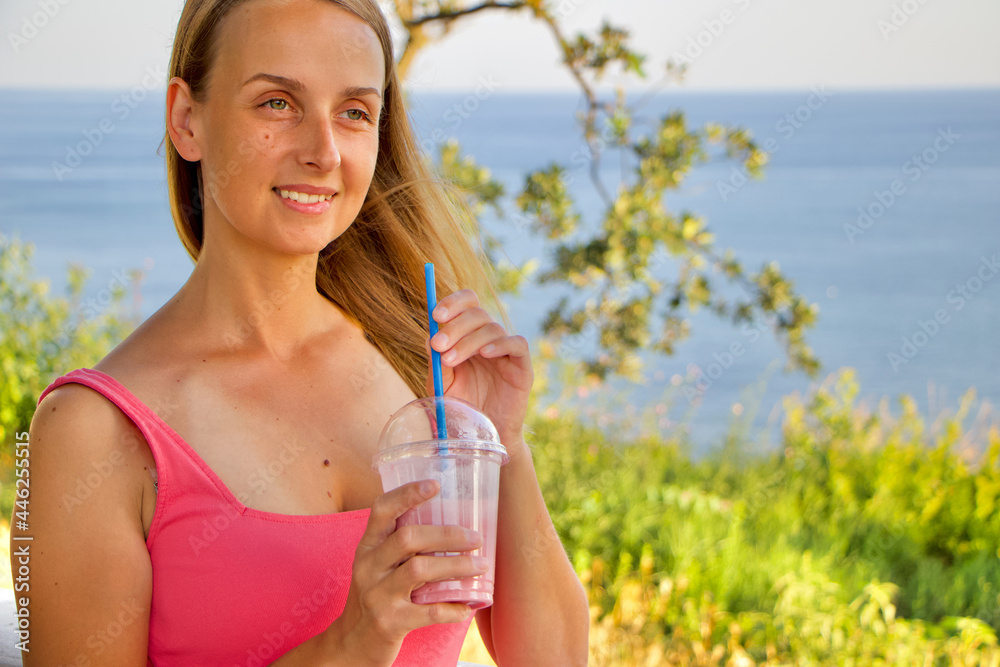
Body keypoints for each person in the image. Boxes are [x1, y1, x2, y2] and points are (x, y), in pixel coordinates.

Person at [13, 0, 589, 664]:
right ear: (186, 119)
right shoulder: (90, 431)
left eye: (354, 112)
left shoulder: (420, 369)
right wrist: (353, 641)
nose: (323, 152)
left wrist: (501, 443)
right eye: (277, 103)